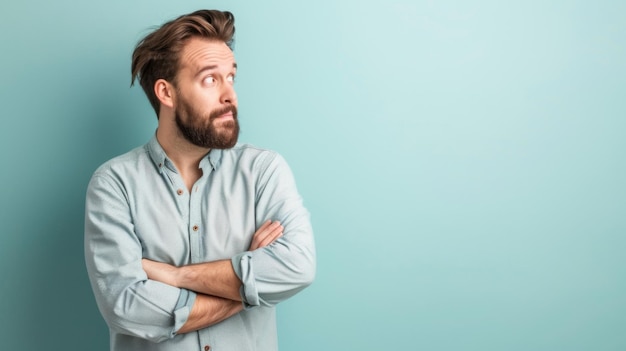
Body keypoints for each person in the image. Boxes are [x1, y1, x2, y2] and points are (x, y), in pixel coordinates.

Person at [84, 9, 316, 351]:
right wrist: (247, 285)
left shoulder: (263, 171)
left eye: (231, 77)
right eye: (210, 79)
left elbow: (297, 267)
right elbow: (126, 305)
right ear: (167, 92)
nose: (230, 96)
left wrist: (177, 276)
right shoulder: (113, 185)